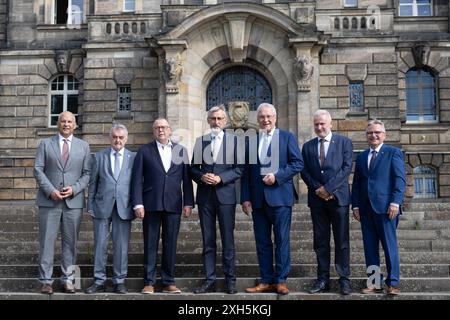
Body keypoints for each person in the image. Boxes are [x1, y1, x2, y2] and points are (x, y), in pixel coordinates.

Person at [241, 103, 304, 295]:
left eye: (269, 116)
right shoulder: (251, 141)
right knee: (262, 241)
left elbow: (297, 163)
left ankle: (281, 280)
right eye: (262, 117)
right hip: (258, 200)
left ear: (275, 118)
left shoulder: (287, 138)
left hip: (280, 198)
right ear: (257, 119)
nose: (265, 120)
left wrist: (277, 176)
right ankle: (266, 280)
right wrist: (245, 198)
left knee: (282, 240)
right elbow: (246, 172)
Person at [131, 118, 194, 294]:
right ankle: (149, 282)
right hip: (150, 204)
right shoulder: (144, 150)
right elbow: (136, 180)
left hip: (173, 203)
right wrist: (137, 203)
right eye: (157, 127)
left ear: (170, 130)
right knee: (150, 244)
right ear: (153, 131)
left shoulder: (181, 151)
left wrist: (188, 202)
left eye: (164, 127)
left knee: (170, 244)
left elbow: (187, 180)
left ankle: (168, 282)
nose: (161, 130)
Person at [34, 111, 91, 294]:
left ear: (75, 125)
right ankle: (46, 281)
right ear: (57, 124)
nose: (66, 124)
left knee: (70, 243)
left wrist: (74, 189)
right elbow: (38, 170)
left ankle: (68, 280)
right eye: (63, 121)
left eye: (69, 121)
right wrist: (50, 191)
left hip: (72, 203)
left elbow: (87, 174)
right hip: (49, 201)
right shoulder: (45, 144)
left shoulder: (84, 147)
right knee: (46, 242)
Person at [191, 105, 244, 295]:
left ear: (226, 121)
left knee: (228, 240)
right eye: (213, 119)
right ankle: (209, 279)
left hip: (226, 196)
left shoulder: (236, 142)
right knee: (208, 240)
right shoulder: (201, 142)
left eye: (220, 119)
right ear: (208, 120)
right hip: (205, 197)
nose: (216, 122)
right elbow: (193, 168)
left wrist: (222, 178)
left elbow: (239, 169)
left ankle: (230, 280)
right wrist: (201, 176)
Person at [300, 110, 353, 295]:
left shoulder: (344, 142)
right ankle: (323, 279)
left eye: (322, 124)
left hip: (339, 199)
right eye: (316, 124)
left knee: (341, 240)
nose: (319, 127)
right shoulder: (307, 147)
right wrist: (319, 190)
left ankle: (344, 279)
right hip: (317, 201)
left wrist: (329, 189)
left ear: (330, 124)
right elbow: (304, 171)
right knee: (320, 241)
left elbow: (346, 168)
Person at [352, 119, 406, 296]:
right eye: (370, 133)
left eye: (377, 132)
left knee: (389, 247)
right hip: (366, 210)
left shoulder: (393, 153)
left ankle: (393, 283)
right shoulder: (361, 157)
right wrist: (356, 206)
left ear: (384, 135)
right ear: (366, 135)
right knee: (370, 248)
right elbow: (357, 184)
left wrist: (395, 202)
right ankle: (375, 283)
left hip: (386, 209)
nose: (373, 135)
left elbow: (399, 180)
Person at [85, 124, 136, 294]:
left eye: (121, 137)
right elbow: (93, 183)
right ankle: (99, 280)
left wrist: (136, 205)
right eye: (115, 137)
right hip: (101, 206)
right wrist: (89, 205)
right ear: (110, 138)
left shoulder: (133, 158)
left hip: (124, 206)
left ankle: (119, 281)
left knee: (121, 246)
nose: (118, 140)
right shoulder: (99, 157)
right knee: (100, 244)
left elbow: (137, 184)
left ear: (126, 139)